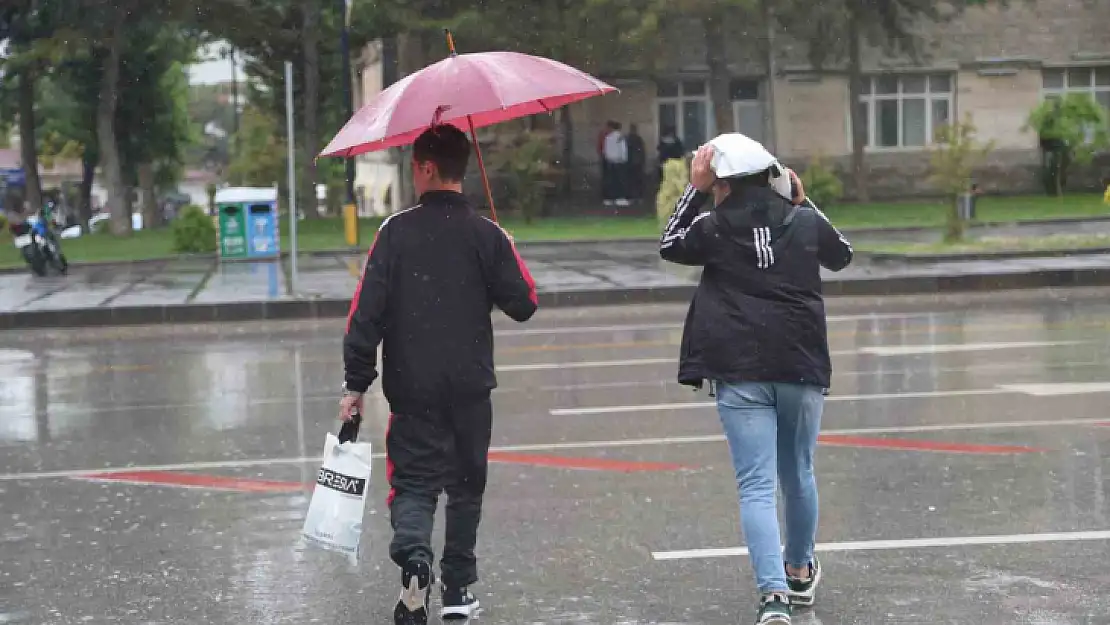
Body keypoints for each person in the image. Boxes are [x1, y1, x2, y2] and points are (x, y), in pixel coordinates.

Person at [339, 124, 539, 625]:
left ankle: (415, 563)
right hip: (471, 386)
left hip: (414, 385)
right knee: (466, 487)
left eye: (413, 164)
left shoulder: (395, 232)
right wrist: (507, 249)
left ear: (427, 168)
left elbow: (366, 315)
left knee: (414, 483)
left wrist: (356, 384)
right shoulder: (485, 234)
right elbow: (524, 303)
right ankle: (456, 590)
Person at [659, 134, 853, 625]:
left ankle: (773, 598)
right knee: (799, 473)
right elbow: (843, 254)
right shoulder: (804, 221)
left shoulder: (713, 227)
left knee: (756, 486)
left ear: (720, 181)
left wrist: (694, 191)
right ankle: (800, 570)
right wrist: (805, 200)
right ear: (773, 177)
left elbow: (669, 245)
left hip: (740, 370)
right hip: (802, 364)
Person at [601, 120, 629, 207]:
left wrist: (608, 158)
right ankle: (620, 198)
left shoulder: (607, 137)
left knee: (610, 181)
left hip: (610, 161)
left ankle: (609, 199)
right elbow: (623, 150)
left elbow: (605, 150)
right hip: (619, 161)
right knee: (620, 180)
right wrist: (624, 159)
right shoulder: (620, 137)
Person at [626, 124, 646, 201]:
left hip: (630, 162)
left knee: (631, 180)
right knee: (638, 181)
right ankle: (639, 197)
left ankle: (631, 197)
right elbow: (642, 151)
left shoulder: (628, 139)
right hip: (637, 162)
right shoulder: (638, 139)